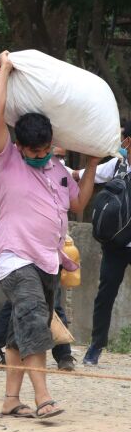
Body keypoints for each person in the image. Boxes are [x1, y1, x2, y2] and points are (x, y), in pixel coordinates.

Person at [0, 50, 100, 419]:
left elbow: (79, 203)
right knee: (35, 317)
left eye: (44, 149)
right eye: (32, 150)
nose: (38, 155)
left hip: (48, 259)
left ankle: (9, 398)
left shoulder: (58, 170)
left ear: (52, 144)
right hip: (14, 256)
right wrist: (3, 69)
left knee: (22, 326)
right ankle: (42, 396)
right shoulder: (5, 160)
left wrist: (93, 160)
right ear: (19, 146)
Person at [70, 120, 131, 366]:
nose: (120, 144)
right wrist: (56, 167)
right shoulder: (117, 165)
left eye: (121, 139)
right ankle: (96, 346)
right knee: (105, 295)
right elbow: (82, 176)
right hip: (116, 246)